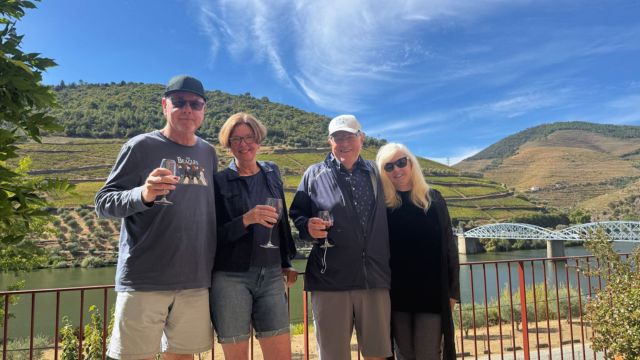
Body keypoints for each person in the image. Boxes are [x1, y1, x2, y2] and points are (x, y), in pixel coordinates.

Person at [95, 75, 218, 360]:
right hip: (144, 279)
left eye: (195, 104)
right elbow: (103, 203)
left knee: (183, 356)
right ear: (165, 106)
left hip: (195, 280)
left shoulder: (208, 153)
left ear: (203, 110)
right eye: (179, 102)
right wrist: (143, 194)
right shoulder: (140, 147)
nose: (187, 109)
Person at [290, 114, 392, 360]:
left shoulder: (377, 173)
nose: (344, 142)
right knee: (334, 355)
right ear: (330, 141)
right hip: (330, 281)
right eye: (338, 137)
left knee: (378, 354)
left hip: (374, 279)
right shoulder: (313, 174)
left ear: (361, 138)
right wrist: (307, 227)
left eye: (350, 136)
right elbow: (297, 213)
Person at [210, 112, 298, 360]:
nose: (243, 144)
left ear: (258, 140)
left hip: (271, 276)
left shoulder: (272, 173)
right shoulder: (220, 182)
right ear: (228, 145)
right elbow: (213, 236)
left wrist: (285, 261)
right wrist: (246, 220)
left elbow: (281, 224)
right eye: (236, 139)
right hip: (231, 277)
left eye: (249, 137)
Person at [375, 143, 460, 360]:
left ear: (412, 163)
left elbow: (450, 248)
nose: (397, 169)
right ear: (383, 172)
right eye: (389, 166)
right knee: (404, 354)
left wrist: (453, 293)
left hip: (431, 295)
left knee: (428, 354)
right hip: (396, 295)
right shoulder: (383, 207)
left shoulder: (434, 200)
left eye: (402, 162)